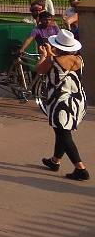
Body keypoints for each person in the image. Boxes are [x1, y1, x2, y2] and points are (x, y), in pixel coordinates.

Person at [36, 30, 89, 181]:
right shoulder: (78, 59)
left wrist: (45, 55)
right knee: (62, 131)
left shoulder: (53, 61)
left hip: (60, 102)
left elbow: (39, 69)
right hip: (78, 100)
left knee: (63, 135)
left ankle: (80, 169)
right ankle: (55, 161)